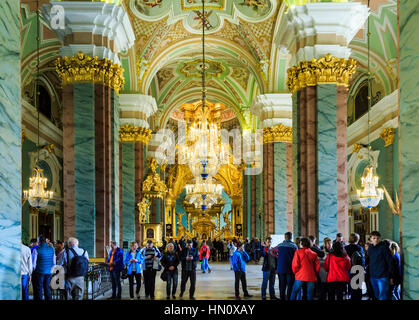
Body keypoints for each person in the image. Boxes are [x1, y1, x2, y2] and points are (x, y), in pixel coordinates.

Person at [366, 231, 394, 300]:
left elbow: (390, 262)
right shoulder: (370, 248)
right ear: (370, 239)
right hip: (373, 276)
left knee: (383, 296)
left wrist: (391, 276)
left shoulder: (384, 248)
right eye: (374, 238)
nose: (376, 240)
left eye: (377, 238)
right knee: (377, 295)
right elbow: (369, 261)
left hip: (383, 276)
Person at [275, 232, 298, 300]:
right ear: (291, 237)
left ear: (285, 237)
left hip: (280, 268)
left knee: (282, 285)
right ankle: (288, 298)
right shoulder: (294, 246)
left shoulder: (279, 245)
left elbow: (272, 251)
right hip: (290, 269)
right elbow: (296, 257)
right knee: (290, 285)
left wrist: (278, 257)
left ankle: (282, 298)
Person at [32, 235, 56, 300]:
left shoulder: (36, 250)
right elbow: (54, 262)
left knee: (39, 288)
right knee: (47, 288)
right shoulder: (52, 249)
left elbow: (33, 264)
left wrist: (32, 271)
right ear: (45, 241)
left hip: (39, 272)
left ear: (38, 241)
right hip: (49, 272)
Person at [344, 233, 365, 300]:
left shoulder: (346, 248)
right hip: (358, 269)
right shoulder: (359, 248)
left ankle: (351, 297)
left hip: (349, 268)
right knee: (358, 287)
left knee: (351, 286)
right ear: (357, 239)